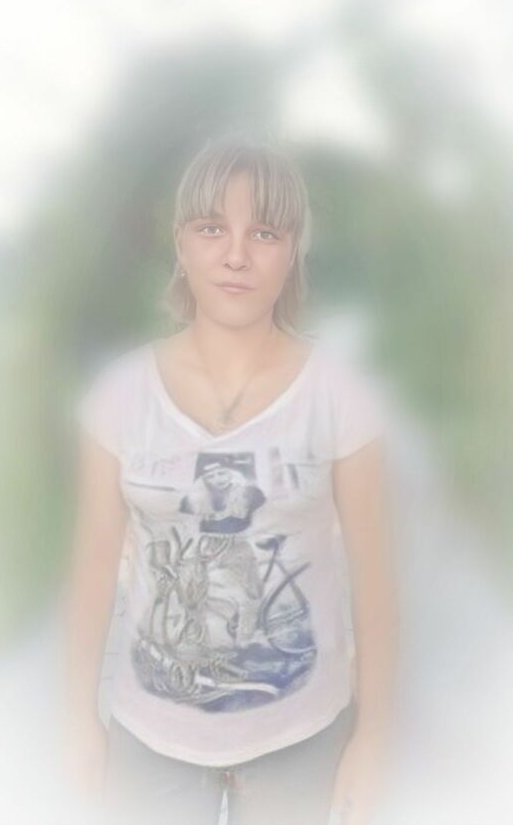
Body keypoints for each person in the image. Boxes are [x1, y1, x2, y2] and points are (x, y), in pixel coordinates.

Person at [62, 134, 398, 825]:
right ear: (181, 243)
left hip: (302, 740)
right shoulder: (121, 395)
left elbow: (375, 576)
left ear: (292, 250)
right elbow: (94, 566)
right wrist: (76, 719)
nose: (236, 254)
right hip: (149, 742)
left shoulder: (339, 394)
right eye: (212, 228)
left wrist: (372, 739)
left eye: (264, 232)